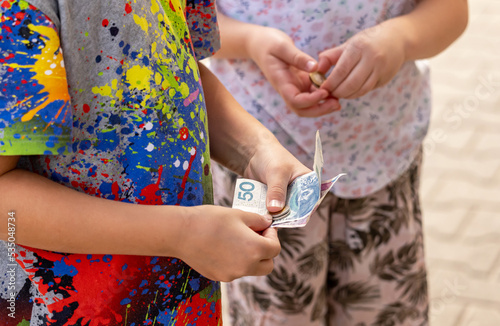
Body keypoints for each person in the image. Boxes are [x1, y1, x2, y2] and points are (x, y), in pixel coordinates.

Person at [0, 0, 311, 324]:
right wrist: (180, 234)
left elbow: (177, 68)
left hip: (186, 301)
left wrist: (257, 150)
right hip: (67, 307)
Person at [208, 0, 469, 325]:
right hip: (262, 175)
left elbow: (452, 12)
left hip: (381, 163)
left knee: (385, 311)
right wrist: (251, 41)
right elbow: (184, 25)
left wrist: (401, 37)